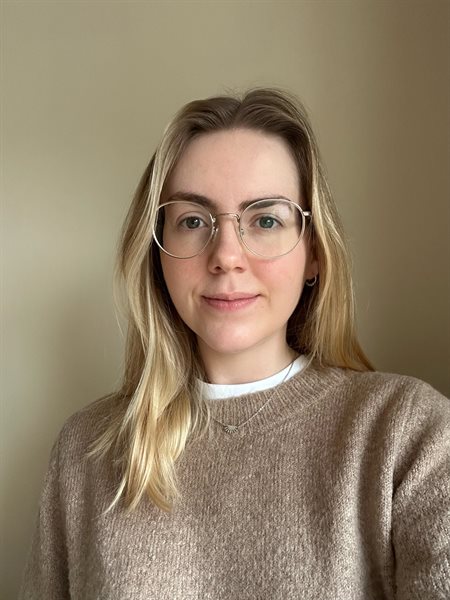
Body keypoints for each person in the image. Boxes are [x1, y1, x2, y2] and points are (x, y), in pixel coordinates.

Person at [20, 89, 449, 599]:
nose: (226, 255)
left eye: (265, 220)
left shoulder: (407, 433)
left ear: (313, 253)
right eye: (193, 221)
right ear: (158, 254)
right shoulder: (85, 452)